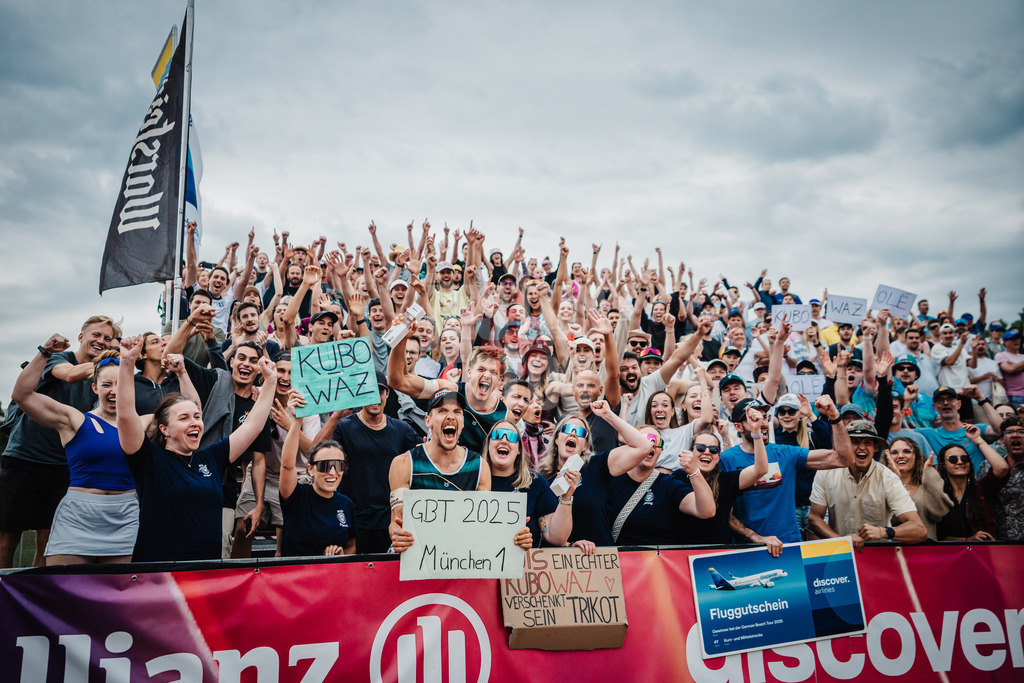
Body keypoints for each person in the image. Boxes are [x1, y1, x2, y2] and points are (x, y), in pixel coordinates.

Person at [116, 334, 279, 562]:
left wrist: (270, 381)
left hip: (205, 574)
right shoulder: (148, 459)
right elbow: (125, 417)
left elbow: (252, 426)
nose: (195, 422)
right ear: (164, 429)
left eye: (197, 416)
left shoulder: (211, 457)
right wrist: (127, 363)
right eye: (184, 417)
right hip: (159, 577)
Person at [11, 337, 147, 564]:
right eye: (106, 385)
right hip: (78, 518)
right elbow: (22, 396)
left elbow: (193, 411)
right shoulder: (74, 419)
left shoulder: (146, 423)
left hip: (125, 518)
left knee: (119, 597)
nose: (114, 391)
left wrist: (180, 372)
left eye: (120, 384)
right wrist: (44, 353)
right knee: (65, 593)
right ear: (95, 387)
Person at [0, 314, 119, 568]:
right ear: (81, 337)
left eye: (107, 338)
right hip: (25, 457)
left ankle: (35, 598)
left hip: (65, 465)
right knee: (7, 537)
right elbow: (70, 375)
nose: (100, 341)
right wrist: (110, 362)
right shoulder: (60, 359)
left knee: (49, 540)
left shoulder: (103, 379)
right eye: (95, 335)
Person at [388, 389, 532, 554]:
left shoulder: (479, 466)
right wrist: (397, 535)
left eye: (457, 412)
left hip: (459, 559)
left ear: (462, 422)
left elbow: (484, 526)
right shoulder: (404, 463)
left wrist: (515, 536)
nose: (451, 416)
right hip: (418, 558)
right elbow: (396, 521)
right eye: (442, 411)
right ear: (428, 421)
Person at [722, 394, 854, 555]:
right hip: (748, 550)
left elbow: (843, 459)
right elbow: (724, 514)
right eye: (752, 417)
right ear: (738, 427)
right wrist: (755, 537)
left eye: (764, 417)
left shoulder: (785, 452)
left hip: (789, 545)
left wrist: (834, 416)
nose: (761, 422)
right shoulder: (726, 460)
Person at [327, 372, 420, 554]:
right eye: (368, 391)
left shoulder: (402, 430)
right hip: (352, 519)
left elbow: (424, 459)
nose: (375, 397)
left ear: (387, 395)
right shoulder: (344, 427)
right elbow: (318, 453)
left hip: (391, 521)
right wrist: (334, 417)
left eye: (380, 391)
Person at [808, 420, 927, 551]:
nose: (862, 447)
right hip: (841, 554)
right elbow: (814, 519)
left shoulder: (888, 478)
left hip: (877, 558)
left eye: (868, 442)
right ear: (845, 445)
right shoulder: (826, 472)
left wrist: (883, 532)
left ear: (875, 447)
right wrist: (842, 542)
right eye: (855, 442)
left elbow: (919, 530)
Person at [607, 425, 715, 546]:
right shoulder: (609, 480)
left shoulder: (668, 483)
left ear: (661, 450)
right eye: (645, 439)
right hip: (621, 560)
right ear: (630, 445)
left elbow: (707, 511)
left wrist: (694, 472)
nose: (651, 444)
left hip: (659, 562)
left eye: (658, 441)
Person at [279, 400, 357, 556]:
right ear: (311, 470)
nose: (333, 472)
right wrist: (297, 421)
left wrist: (341, 554)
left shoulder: (346, 504)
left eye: (339, 465)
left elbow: (351, 546)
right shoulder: (297, 496)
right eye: (325, 466)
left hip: (330, 577)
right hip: (296, 575)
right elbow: (287, 465)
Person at [485, 419, 577, 547]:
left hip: (524, 565)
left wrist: (566, 499)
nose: (504, 440)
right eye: (497, 435)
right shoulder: (473, 479)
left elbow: (556, 538)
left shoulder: (536, 483)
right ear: (488, 444)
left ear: (518, 449)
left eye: (511, 437)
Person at [677, 423, 769, 544]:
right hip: (683, 555)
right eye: (700, 448)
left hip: (721, 553)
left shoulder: (726, 480)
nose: (707, 452)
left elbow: (760, 469)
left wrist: (756, 432)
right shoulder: (678, 478)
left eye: (713, 450)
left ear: (718, 457)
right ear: (691, 452)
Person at [885, 437, 953, 541]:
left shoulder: (926, 484)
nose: (900, 456)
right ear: (888, 457)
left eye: (907, 451)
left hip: (924, 552)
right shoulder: (883, 485)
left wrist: (929, 473)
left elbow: (940, 512)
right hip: (891, 552)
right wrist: (894, 479)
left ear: (916, 456)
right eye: (894, 452)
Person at [975, 416, 1024, 540]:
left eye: (1021, 432)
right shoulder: (987, 466)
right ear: (1002, 441)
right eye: (1009, 432)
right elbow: (977, 499)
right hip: (995, 541)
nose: (1015, 435)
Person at [996, 329, 1024, 408]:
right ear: (1005, 342)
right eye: (1012, 339)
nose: (1016, 341)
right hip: (1015, 395)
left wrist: (1014, 365)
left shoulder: (1022, 356)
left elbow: (1013, 368)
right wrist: (1016, 366)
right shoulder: (1001, 355)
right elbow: (1009, 369)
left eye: (1017, 338)